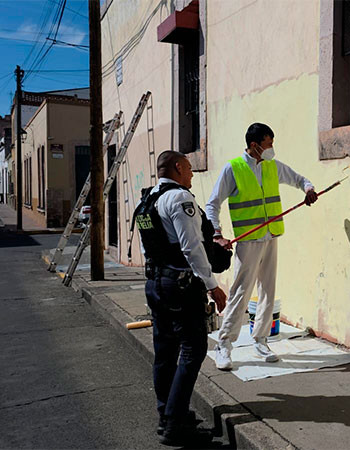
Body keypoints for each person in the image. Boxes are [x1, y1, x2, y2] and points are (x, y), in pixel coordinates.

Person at [134, 150, 228, 446]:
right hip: (181, 286)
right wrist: (212, 285)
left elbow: (155, 246)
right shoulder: (181, 199)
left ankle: (168, 413)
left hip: (157, 284)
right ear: (177, 167)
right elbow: (190, 249)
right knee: (193, 349)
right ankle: (174, 424)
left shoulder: (146, 201)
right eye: (188, 168)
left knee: (165, 352)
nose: (191, 174)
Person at [206, 123, 317, 370]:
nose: (272, 148)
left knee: (268, 289)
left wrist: (308, 189)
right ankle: (224, 345)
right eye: (269, 144)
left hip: (271, 236)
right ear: (255, 146)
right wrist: (216, 234)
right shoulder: (233, 169)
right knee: (240, 292)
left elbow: (299, 179)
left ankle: (261, 339)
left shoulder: (272, 167)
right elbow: (212, 204)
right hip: (248, 240)